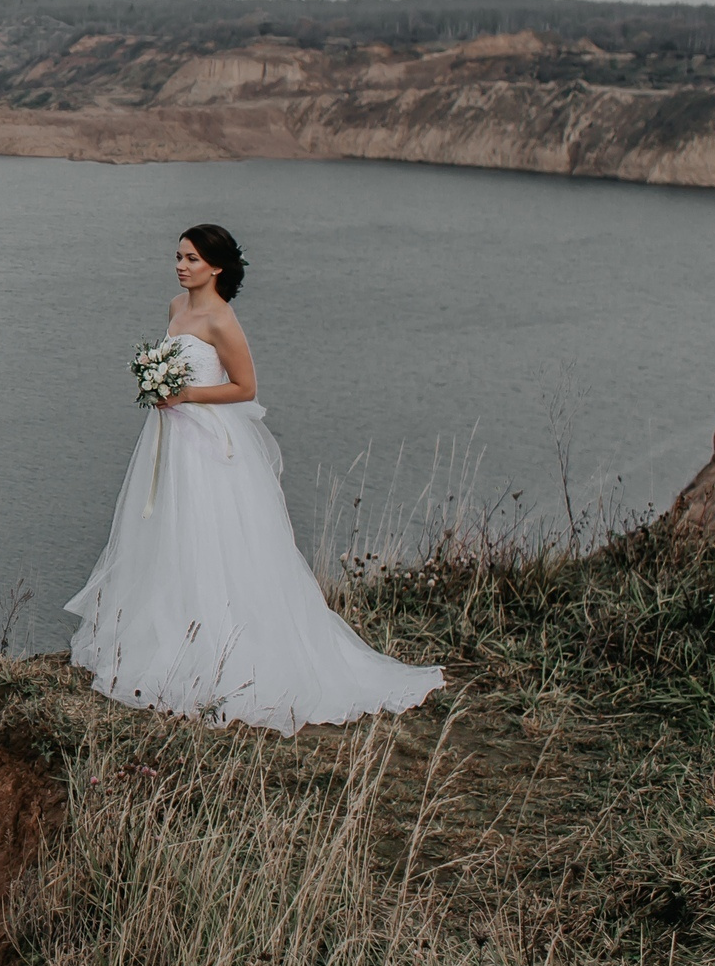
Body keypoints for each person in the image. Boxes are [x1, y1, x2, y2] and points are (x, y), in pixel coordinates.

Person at [64, 223, 443, 734]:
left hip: (208, 443)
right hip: (169, 439)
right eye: (178, 255)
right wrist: (158, 390)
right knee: (169, 535)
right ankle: (170, 636)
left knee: (212, 535)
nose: (181, 265)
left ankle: (226, 651)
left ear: (216, 267)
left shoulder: (222, 319)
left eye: (192, 258)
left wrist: (184, 396)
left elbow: (244, 388)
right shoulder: (176, 308)